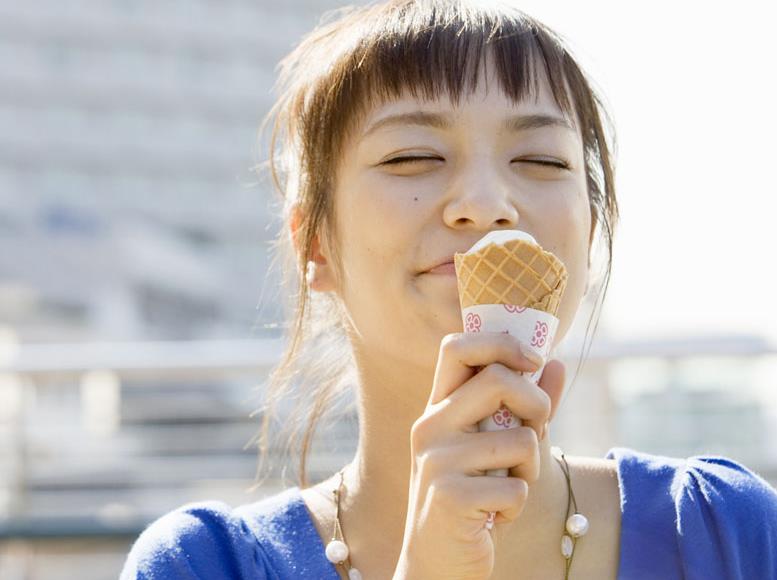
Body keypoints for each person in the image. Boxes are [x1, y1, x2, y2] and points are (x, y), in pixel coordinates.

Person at [120, 1, 777, 578]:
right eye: (411, 157)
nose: (488, 204)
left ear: (591, 228)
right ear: (313, 243)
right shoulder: (204, 566)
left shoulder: (727, 534)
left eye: (540, 161)